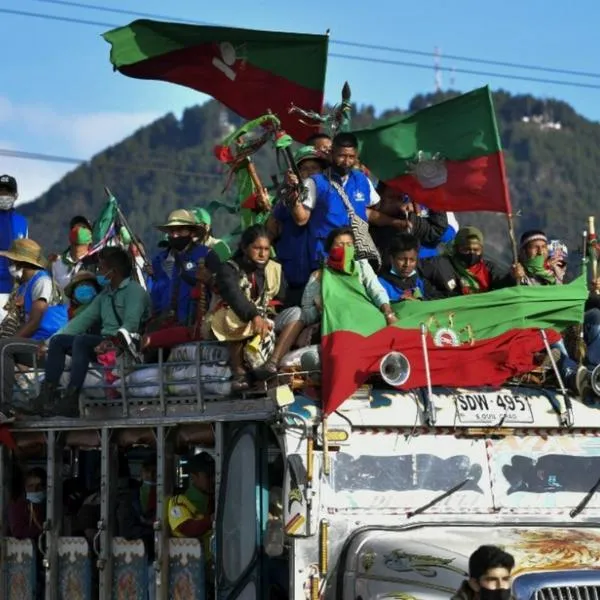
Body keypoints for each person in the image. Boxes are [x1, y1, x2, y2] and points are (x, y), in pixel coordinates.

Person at [31, 246, 151, 418]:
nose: (99, 272)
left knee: (82, 340)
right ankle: (46, 397)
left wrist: (112, 342)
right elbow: (79, 322)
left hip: (124, 347)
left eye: (101, 268)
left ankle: (71, 400)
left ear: (113, 271)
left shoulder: (135, 292)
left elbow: (131, 325)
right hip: (101, 344)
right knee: (59, 342)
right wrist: (48, 342)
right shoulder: (105, 295)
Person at [206, 225, 305, 389]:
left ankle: (272, 363)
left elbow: (282, 299)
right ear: (245, 248)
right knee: (233, 316)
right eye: (257, 248)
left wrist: (270, 318)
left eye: (266, 249)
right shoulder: (228, 269)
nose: (262, 254)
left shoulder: (274, 268)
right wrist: (254, 315)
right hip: (235, 319)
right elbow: (234, 297)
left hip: (266, 318)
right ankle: (240, 373)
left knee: (297, 313)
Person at [290, 132, 402, 270]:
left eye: (351, 157)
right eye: (341, 156)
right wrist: (294, 198)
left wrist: (399, 212)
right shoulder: (315, 182)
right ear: (331, 154)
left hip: (357, 256)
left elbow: (370, 210)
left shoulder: (362, 179)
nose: (346, 162)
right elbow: (301, 219)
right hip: (326, 257)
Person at [0, 239, 68, 411]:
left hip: (47, 344)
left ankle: (4, 407)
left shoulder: (41, 281)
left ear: (21, 262)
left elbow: (35, 322)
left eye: (12, 261)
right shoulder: (24, 286)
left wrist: (11, 341)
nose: (10, 264)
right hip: (33, 342)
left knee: (4, 348)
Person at [267, 146, 329, 305]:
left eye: (315, 168)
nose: (310, 173)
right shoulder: (286, 198)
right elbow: (272, 227)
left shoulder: (329, 195)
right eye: (304, 169)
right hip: (292, 271)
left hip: (319, 269)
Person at [302, 227, 396, 327]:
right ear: (329, 249)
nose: (345, 249)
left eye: (349, 245)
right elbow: (306, 315)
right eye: (340, 244)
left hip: (366, 317)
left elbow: (376, 290)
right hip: (338, 324)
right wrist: (320, 307)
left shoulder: (362, 267)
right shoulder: (319, 276)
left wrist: (388, 313)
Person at [150, 209, 220, 328]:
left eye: (180, 230)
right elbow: (156, 292)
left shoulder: (207, 255)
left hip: (195, 325)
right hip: (164, 323)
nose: (175, 235)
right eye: (172, 231)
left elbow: (220, 288)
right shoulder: (160, 260)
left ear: (192, 233)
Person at [421, 227, 516, 297]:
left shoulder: (487, 268)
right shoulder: (442, 264)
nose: (472, 254)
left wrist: (513, 277)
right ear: (456, 249)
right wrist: (438, 294)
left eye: (476, 250)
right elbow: (416, 271)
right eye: (466, 249)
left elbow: (503, 283)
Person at [369, 183, 452, 260]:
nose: (397, 203)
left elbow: (436, 229)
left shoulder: (409, 219)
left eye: (400, 198)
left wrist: (434, 193)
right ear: (379, 196)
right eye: (391, 197)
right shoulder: (364, 216)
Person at [168, 452, 215, 556]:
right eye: (209, 476)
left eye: (216, 475)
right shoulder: (178, 502)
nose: (214, 480)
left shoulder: (215, 500)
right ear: (193, 477)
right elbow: (188, 528)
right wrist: (212, 519)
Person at [378, 234, 440, 301]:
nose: (407, 264)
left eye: (412, 260)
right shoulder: (380, 284)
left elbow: (436, 299)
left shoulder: (420, 281)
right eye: (401, 259)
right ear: (391, 259)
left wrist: (420, 299)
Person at [0, 175, 28, 319]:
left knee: (8, 335)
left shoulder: (22, 222)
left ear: (15, 195)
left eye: (7, 192)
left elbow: (26, 254)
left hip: (14, 291)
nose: (4, 195)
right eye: (1, 191)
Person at [50, 215, 94, 291]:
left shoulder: (96, 262)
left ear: (90, 236)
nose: (79, 230)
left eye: (83, 228)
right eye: (75, 227)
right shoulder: (57, 262)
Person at [7, 467, 47, 540]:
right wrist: (42, 530)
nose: (34, 490)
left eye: (39, 486)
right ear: (25, 487)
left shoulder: (50, 507)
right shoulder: (18, 507)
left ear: (46, 487)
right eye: (30, 486)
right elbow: (18, 532)